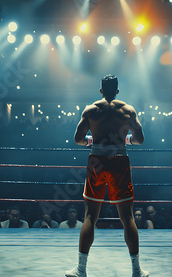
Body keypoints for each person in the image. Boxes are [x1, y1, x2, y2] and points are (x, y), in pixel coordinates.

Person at [66, 75, 148, 277]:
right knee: (127, 217)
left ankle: (81, 270)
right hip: (119, 160)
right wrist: (126, 139)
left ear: (100, 91)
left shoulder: (91, 109)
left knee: (89, 217)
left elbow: (77, 139)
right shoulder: (127, 110)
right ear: (117, 91)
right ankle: (136, 270)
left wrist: (91, 141)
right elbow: (140, 140)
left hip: (97, 162)